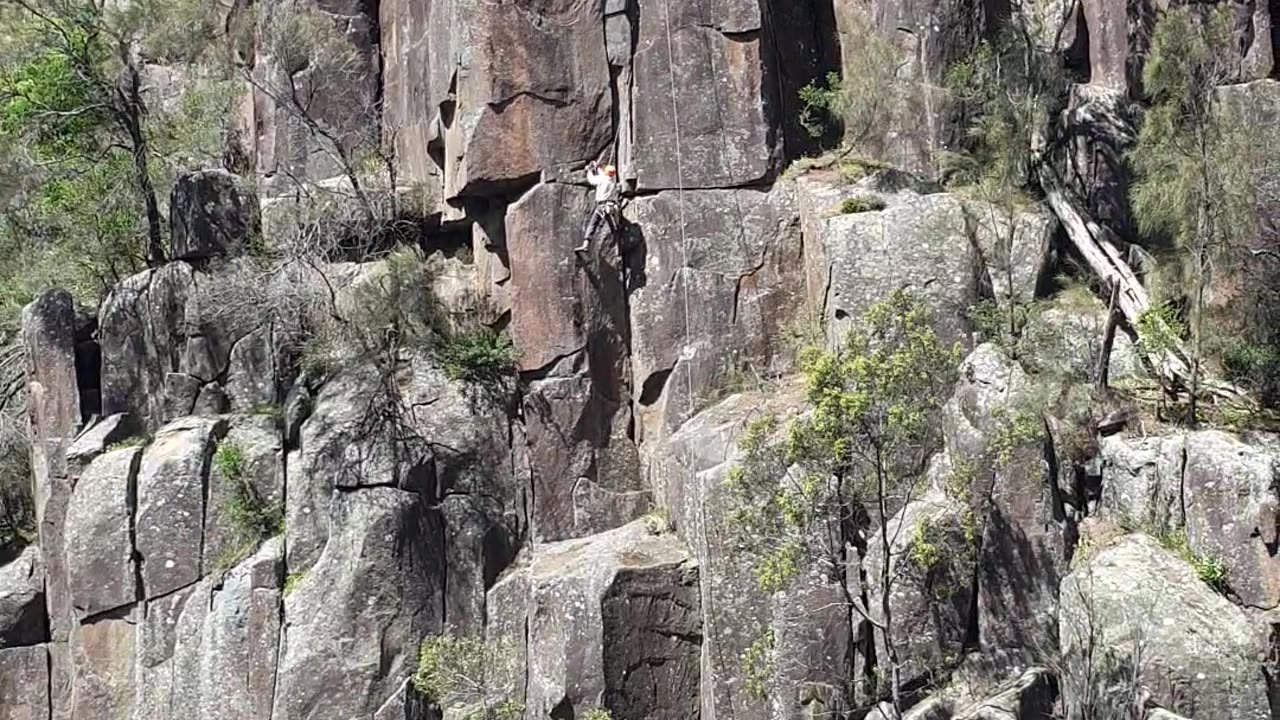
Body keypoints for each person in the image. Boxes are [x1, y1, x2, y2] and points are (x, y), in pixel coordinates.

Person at [576, 161, 620, 253]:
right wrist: (597, 167)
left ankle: (586, 245)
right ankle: (618, 242)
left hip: (602, 207)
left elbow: (592, 180)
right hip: (611, 207)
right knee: (613, 226)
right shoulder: (612, 181)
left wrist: (589, 171)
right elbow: (602, 174)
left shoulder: (601, 179)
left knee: (593, 224)